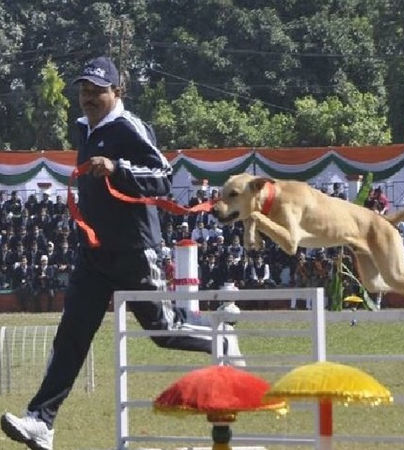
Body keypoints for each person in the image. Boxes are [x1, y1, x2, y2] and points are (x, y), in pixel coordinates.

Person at [0, 56, 234, 450]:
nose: (89, 98)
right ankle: (42, 421)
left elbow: (162, 177)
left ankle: (222, 338)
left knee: (166, 332)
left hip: (135, 250)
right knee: (71, 335)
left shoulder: (130, 128)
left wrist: (116, 167)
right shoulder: (83, 129)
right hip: (93, 254)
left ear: (118, 92)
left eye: (98, 90)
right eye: (84, 91)